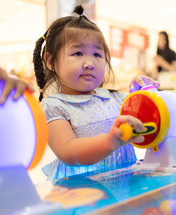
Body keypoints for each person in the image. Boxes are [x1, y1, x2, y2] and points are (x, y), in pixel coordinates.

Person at [33, 5, 159, 180]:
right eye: (77, 53)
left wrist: (143, 96)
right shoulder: (53, 106)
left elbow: (147, 126)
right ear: (50, 61)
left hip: (125, 184)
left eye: (97, 55)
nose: (89, 63)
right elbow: (67, 150)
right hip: (84, 194)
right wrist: (109, 142)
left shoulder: (115, 98)